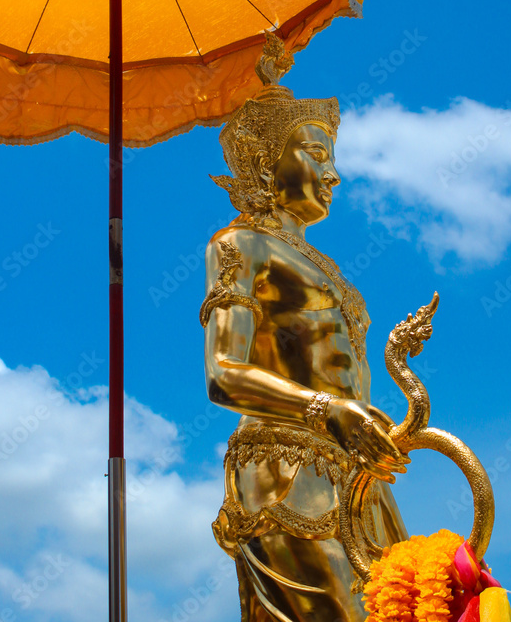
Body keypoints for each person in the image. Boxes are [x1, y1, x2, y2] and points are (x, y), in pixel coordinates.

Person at [201, 36, 407, 622]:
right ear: (267, 160)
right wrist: (326, 410)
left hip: (356, 472)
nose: (332, 174)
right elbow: (223, 374)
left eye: (329, 156)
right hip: (285, 470)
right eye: (315, 153)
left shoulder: (326, 265)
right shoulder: (240, 245)